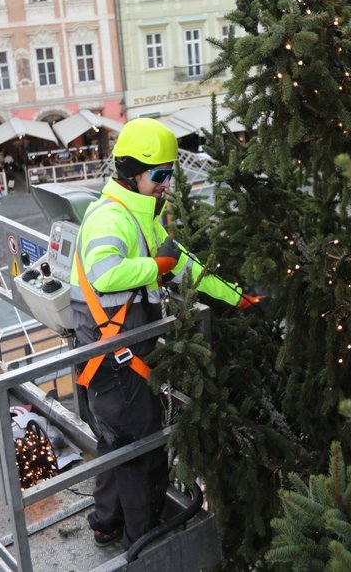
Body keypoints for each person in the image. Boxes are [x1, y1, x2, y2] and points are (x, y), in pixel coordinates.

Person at [70, 118, 260, 549]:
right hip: (115, 362)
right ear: (133, 173)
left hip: (115, 359)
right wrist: (156, 268)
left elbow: (183, 261)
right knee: (141, 452)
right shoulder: (110, 220)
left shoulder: (139, 217)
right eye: (160, 175)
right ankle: (144, 542)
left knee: (115, 444)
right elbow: (104, 274)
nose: (167, 183)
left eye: (170, 174)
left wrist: (234, 297)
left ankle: (106, 522)